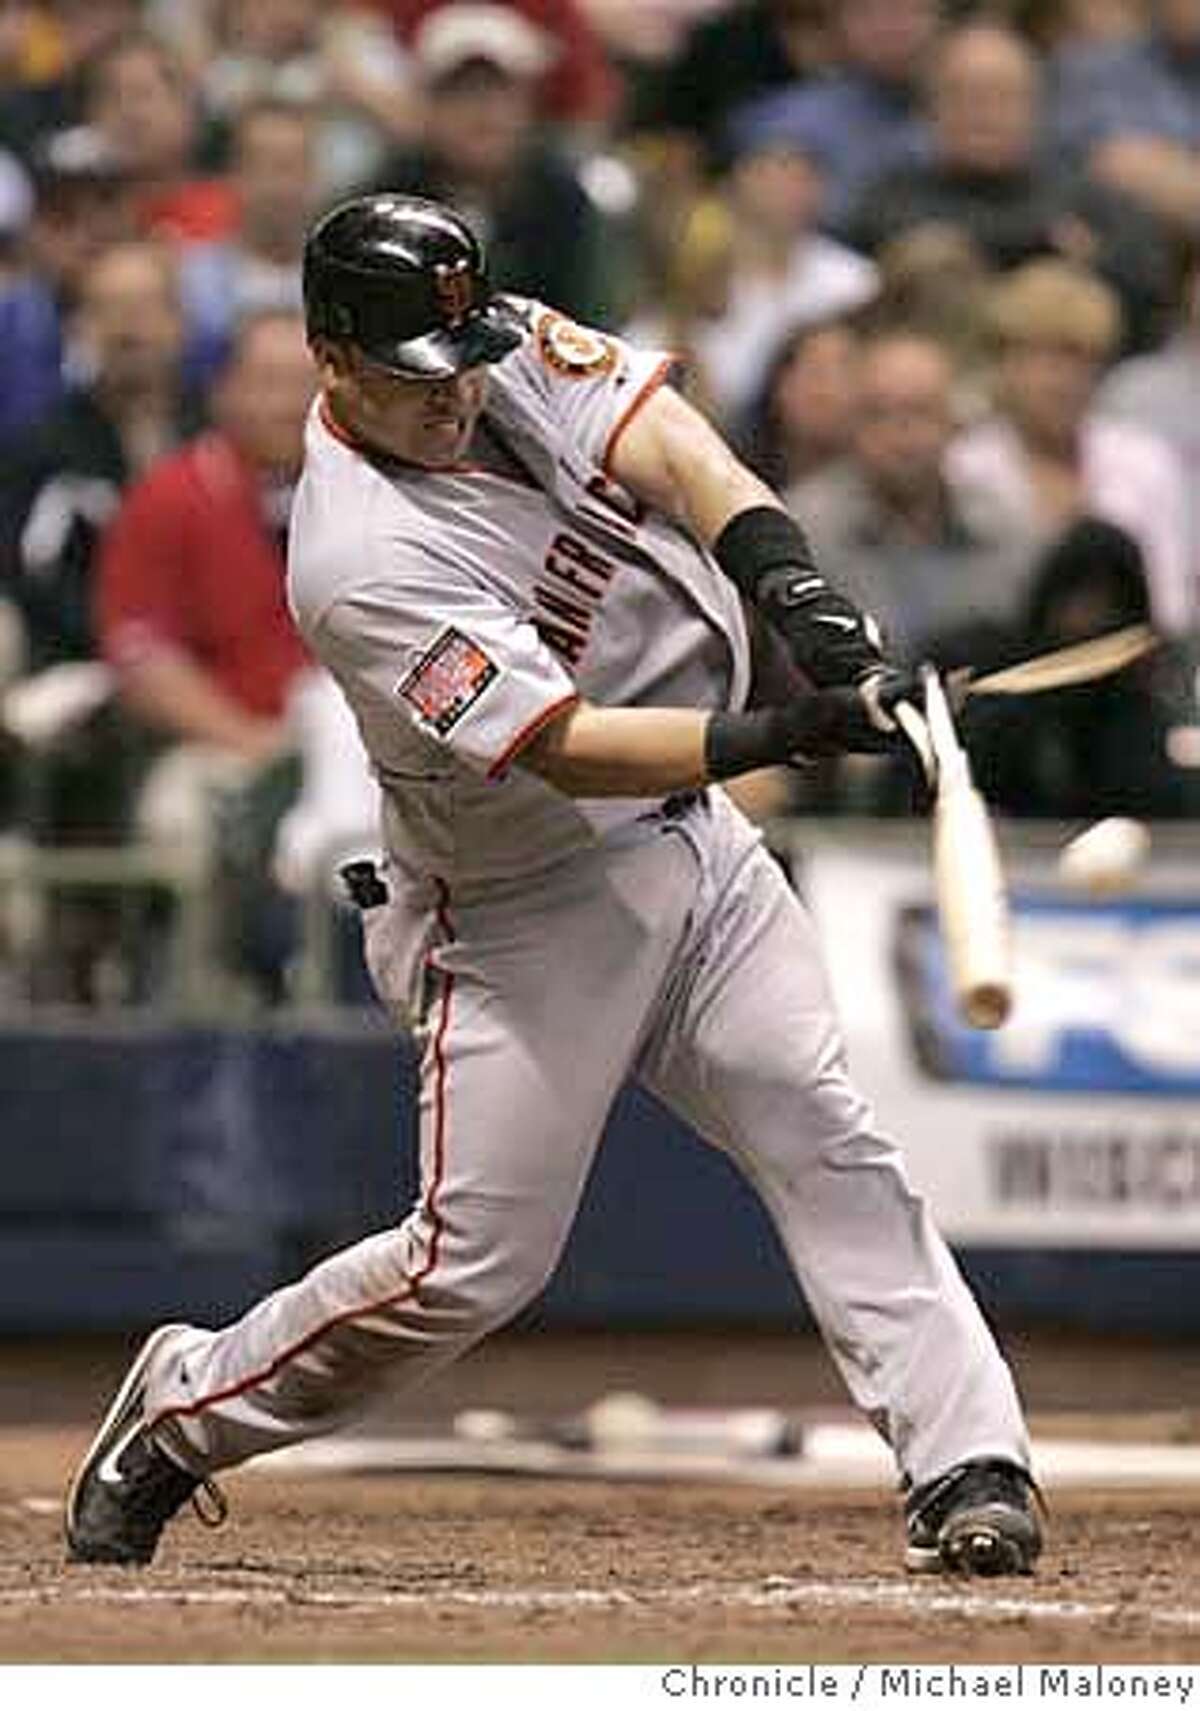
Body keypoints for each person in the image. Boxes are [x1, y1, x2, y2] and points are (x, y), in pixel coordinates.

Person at [64, 192, 1042, 1579]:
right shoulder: (358, 560)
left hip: (694, 848)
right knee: (471, 1267)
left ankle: (968, 1464)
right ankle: (180, 1411)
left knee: (825, 1132)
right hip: (521, 906)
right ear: (331, 359)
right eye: (417, 378)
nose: (457, 394)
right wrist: (793, 732)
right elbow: (564, 749)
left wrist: (810, 611)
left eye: (464, 360)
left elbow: (682, 454)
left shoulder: (484, 341)